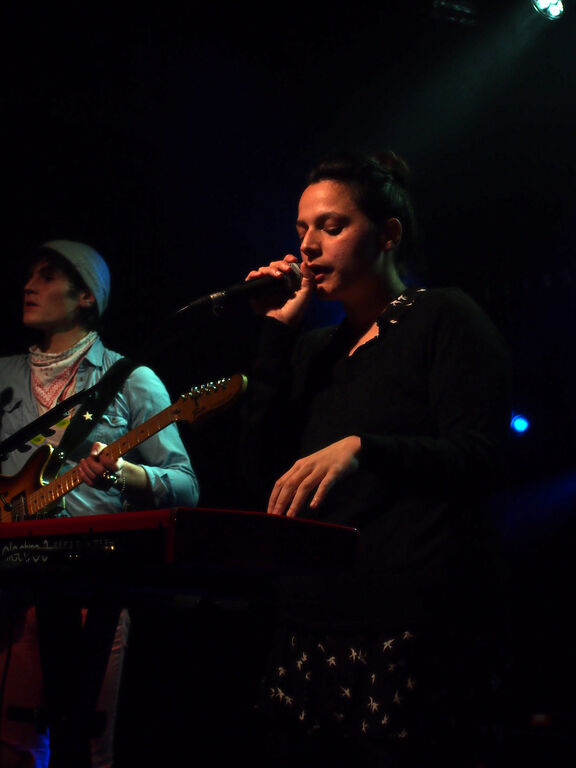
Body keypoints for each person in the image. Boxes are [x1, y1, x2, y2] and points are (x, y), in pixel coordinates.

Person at [241, 151, 511, 767]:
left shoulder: (443, 316)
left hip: (407, 622)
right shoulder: (312, 350)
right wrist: (276, 336)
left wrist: (365, 449)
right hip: (309, 617)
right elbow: (260, 473)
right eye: (301, 230)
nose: (306, 246)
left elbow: (481, 457)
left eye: (330, 227)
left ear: (387, 235)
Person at [0, 240, 199, 767]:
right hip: (11, 581)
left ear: (86, 296)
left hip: (95, 581)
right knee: (12, 741)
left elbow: (186, 485)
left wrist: (129, 474)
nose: (29, 285)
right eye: (29, 275)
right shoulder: (1, 376)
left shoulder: (134, 380)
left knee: (87, 743)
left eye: (47, 276)